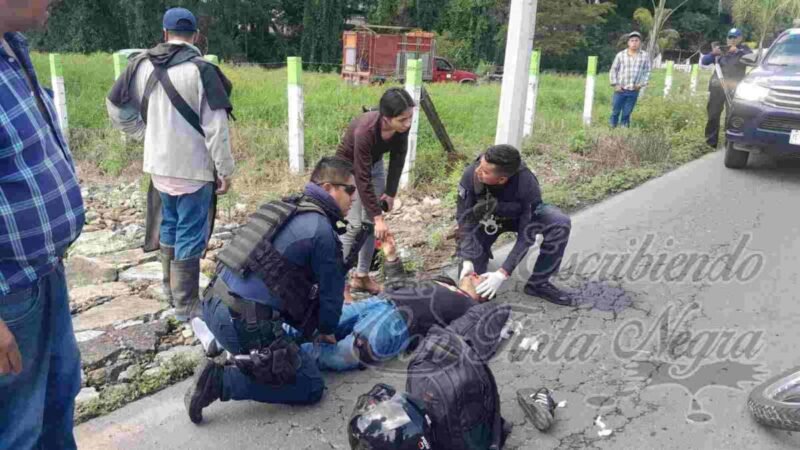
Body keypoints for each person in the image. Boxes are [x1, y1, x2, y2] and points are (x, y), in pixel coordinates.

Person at [183, 157, 355, 424]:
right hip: (242, 323)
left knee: (291, 331)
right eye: (351, 190)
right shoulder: (322, 231)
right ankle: (221, 382)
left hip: (211, 303)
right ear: (330, 188)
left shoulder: (283, 206)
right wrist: (325, 331)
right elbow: (330, 307)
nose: (354, 199)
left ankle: (241, 354)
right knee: (310, 384)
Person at [107, 7, 235, 322]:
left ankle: (169, 289)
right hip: (193, 170)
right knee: (191, 229)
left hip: (158, 167)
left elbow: (114, 105)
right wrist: (226, 170)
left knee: (170, 223)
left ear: (165, 33)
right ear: (195, 36)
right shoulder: (202, 70)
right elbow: (216, 128)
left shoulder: (139, 65)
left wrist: (142, 133)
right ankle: (186, 303)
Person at [0, 1, 86, 447]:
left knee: (57, 401)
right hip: (9, 294)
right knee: (17, 429)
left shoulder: (13, 49)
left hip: (46, 273)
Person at [299, 232, 487, 372]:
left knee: (344, 355)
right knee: (314, 321)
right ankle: (276, 334)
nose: (476, 274)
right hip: (378, 302)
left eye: (482, 279)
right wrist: (391, 256)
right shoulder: (445, 281)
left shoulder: (470, 308)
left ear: (485, 294)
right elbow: (399, 285)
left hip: (397, 323)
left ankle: (285, 357)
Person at [456, 145, 574, 306]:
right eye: (479, 166)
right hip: (488, 221)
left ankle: (539, 284)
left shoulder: (527, 184)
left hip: (519, 218)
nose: (478, 172)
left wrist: (503, 273)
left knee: (559, 222)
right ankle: (480, 252)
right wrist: (468, 258)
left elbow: (527, 234)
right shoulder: (471, 174)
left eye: (485, 172)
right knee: (471, 288)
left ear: (502, 179)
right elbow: (465, 219)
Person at [336, 88, 415, 301]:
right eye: (402, 119)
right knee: (353, 227)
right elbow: (361, 177)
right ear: (387, 118)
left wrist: (390, 193)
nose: (408, 123)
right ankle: (340, 286)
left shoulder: (402, 126)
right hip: (349, 168)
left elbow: (399, 157)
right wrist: (379, 217)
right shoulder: (366, 130)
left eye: (410, 117)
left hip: (376, 164)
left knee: (370, 226)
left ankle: (362, 276)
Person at [701, 28, 752, 148]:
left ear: (740, 38)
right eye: (730, 37)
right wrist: (713, 53)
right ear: (727, 38)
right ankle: (710, 143)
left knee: (731, 116)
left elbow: (753, 59)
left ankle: (729, 143)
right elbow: (705, 61)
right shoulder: (721, 49)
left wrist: (738, 51)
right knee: (713, 115)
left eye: (735, 37)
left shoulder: (744, 49)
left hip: (734, 89)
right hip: (717, 88)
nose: (732, 40)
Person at [609, 31, 652, 128]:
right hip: (620, 89)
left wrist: (641, 84)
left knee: (627, 112)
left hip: (634, 90)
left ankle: (624, 131)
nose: (634, 43)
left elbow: (647, 71)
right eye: (632, 40)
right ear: (628, 42)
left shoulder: (644, 56)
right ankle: (612, 128)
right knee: (615, 111)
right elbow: (613, 70)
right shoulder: (621, 55)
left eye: (636, 40)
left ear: (640, 42)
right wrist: (615, 84)